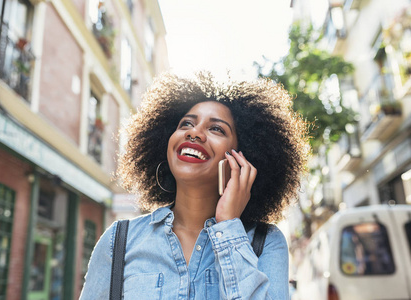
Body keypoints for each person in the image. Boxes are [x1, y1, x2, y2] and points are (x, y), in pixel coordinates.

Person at [80, 72, 309, 299]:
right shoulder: (119, 240)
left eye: (216, 129)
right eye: (186, 124)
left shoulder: (266, 242)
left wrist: (229, 225)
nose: (194, 132)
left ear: (241, 158)